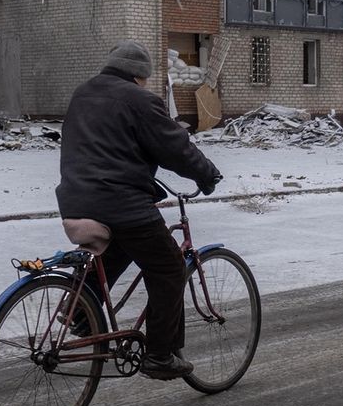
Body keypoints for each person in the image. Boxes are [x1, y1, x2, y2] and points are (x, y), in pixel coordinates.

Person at [57, 40, 222, 380]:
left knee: (119, 249)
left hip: (75, 198)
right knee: (168, 267)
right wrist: (206, 173)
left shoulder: (82, 93)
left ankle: (80, 312)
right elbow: (173, 147)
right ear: (139, 75)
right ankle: (160, 356)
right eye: (145, 78)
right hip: (121, 201)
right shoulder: (140, 100)